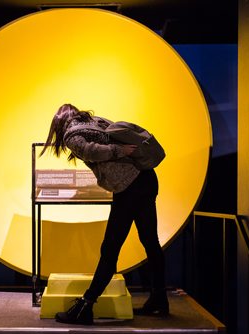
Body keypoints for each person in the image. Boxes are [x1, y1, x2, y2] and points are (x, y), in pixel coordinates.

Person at [40, 103, 169, 325]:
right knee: (150, 242)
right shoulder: (96, 121)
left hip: (129, 187)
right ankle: (160, 299)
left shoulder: (72, 134)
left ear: (59, 123)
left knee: (110, 248)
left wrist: (119, 151)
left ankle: (86, 306)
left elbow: (91, 151)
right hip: (147, 179)